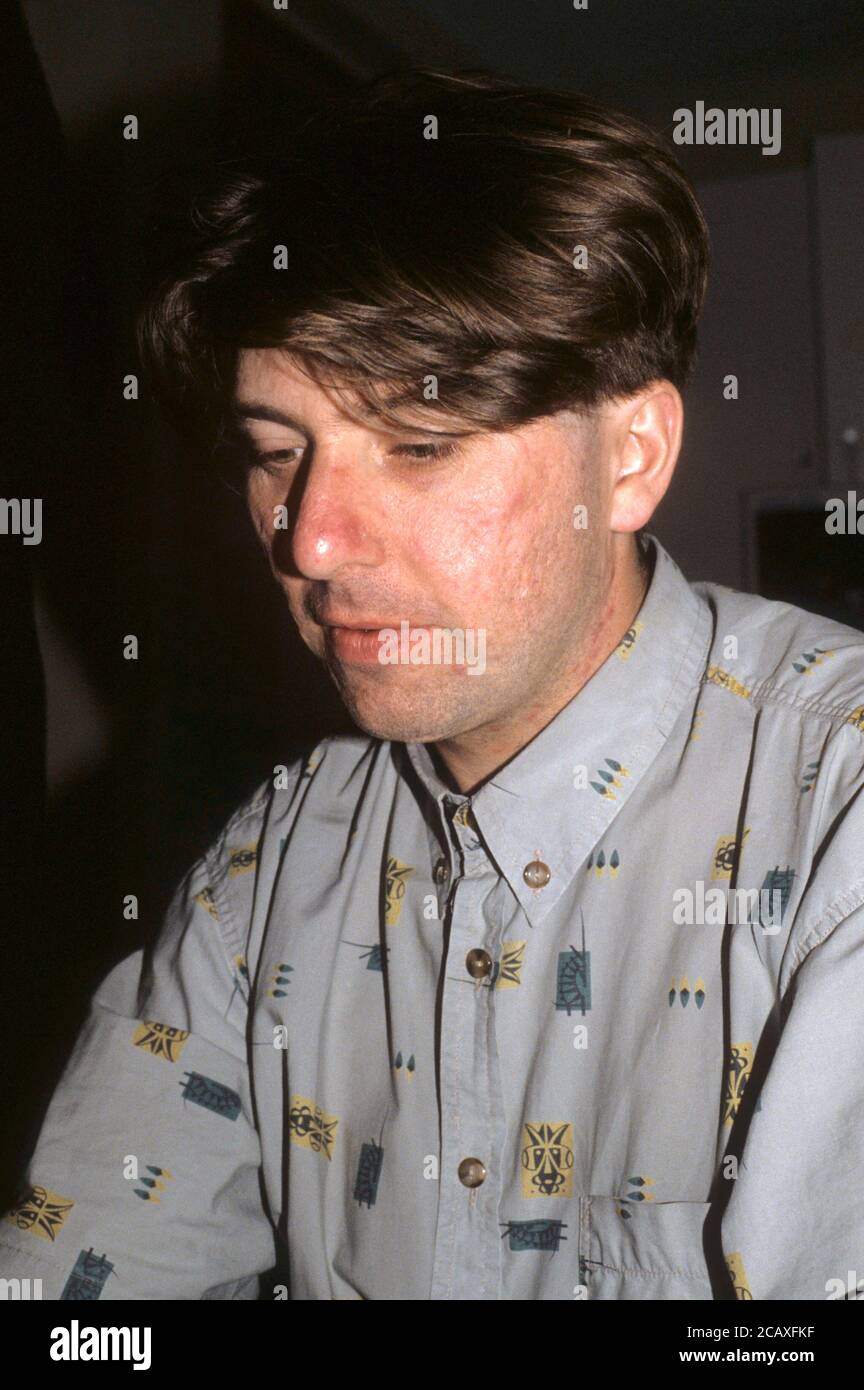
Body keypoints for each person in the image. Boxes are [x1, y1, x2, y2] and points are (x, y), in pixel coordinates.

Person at [3, 69, 863, 1302]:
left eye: (418, 444)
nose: (310, 540)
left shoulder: (841, 823)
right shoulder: (272, 865)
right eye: (275, 453)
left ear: (631, 456)